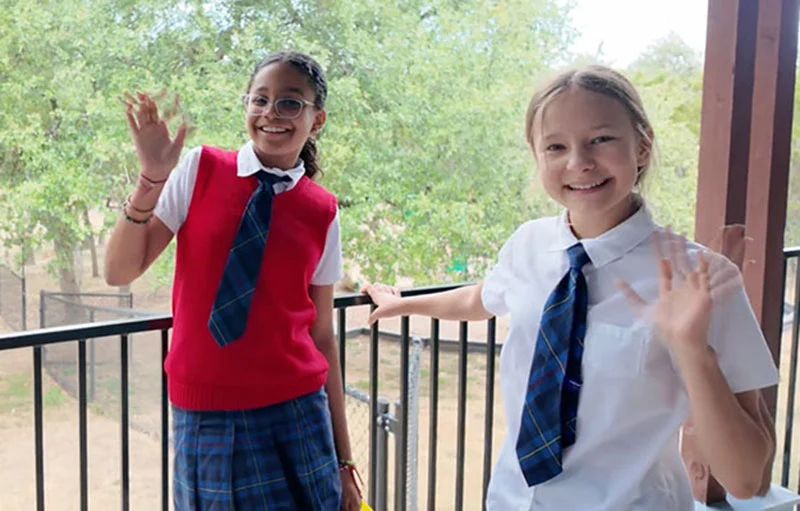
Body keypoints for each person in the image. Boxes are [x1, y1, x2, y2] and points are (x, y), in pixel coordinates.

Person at [362, 65, 778, 511]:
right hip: (510, 501)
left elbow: (746, 479)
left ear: (642, 145)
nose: (579, 162)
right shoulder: (529, 244)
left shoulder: (698, 276)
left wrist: (693, 349)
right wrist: (403, 303)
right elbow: (479, 299)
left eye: (601, 139)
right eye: (556, 146)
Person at [104, 50, 361, 510]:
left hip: (297, 413)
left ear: (316, 119)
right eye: (259, 100)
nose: (270, 113)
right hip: (204, 417)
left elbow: (322, 336)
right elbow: (119, 270)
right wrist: (151, 177)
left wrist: (344, 462)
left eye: (289, 102)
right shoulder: (202, 169)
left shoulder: (321, 210)